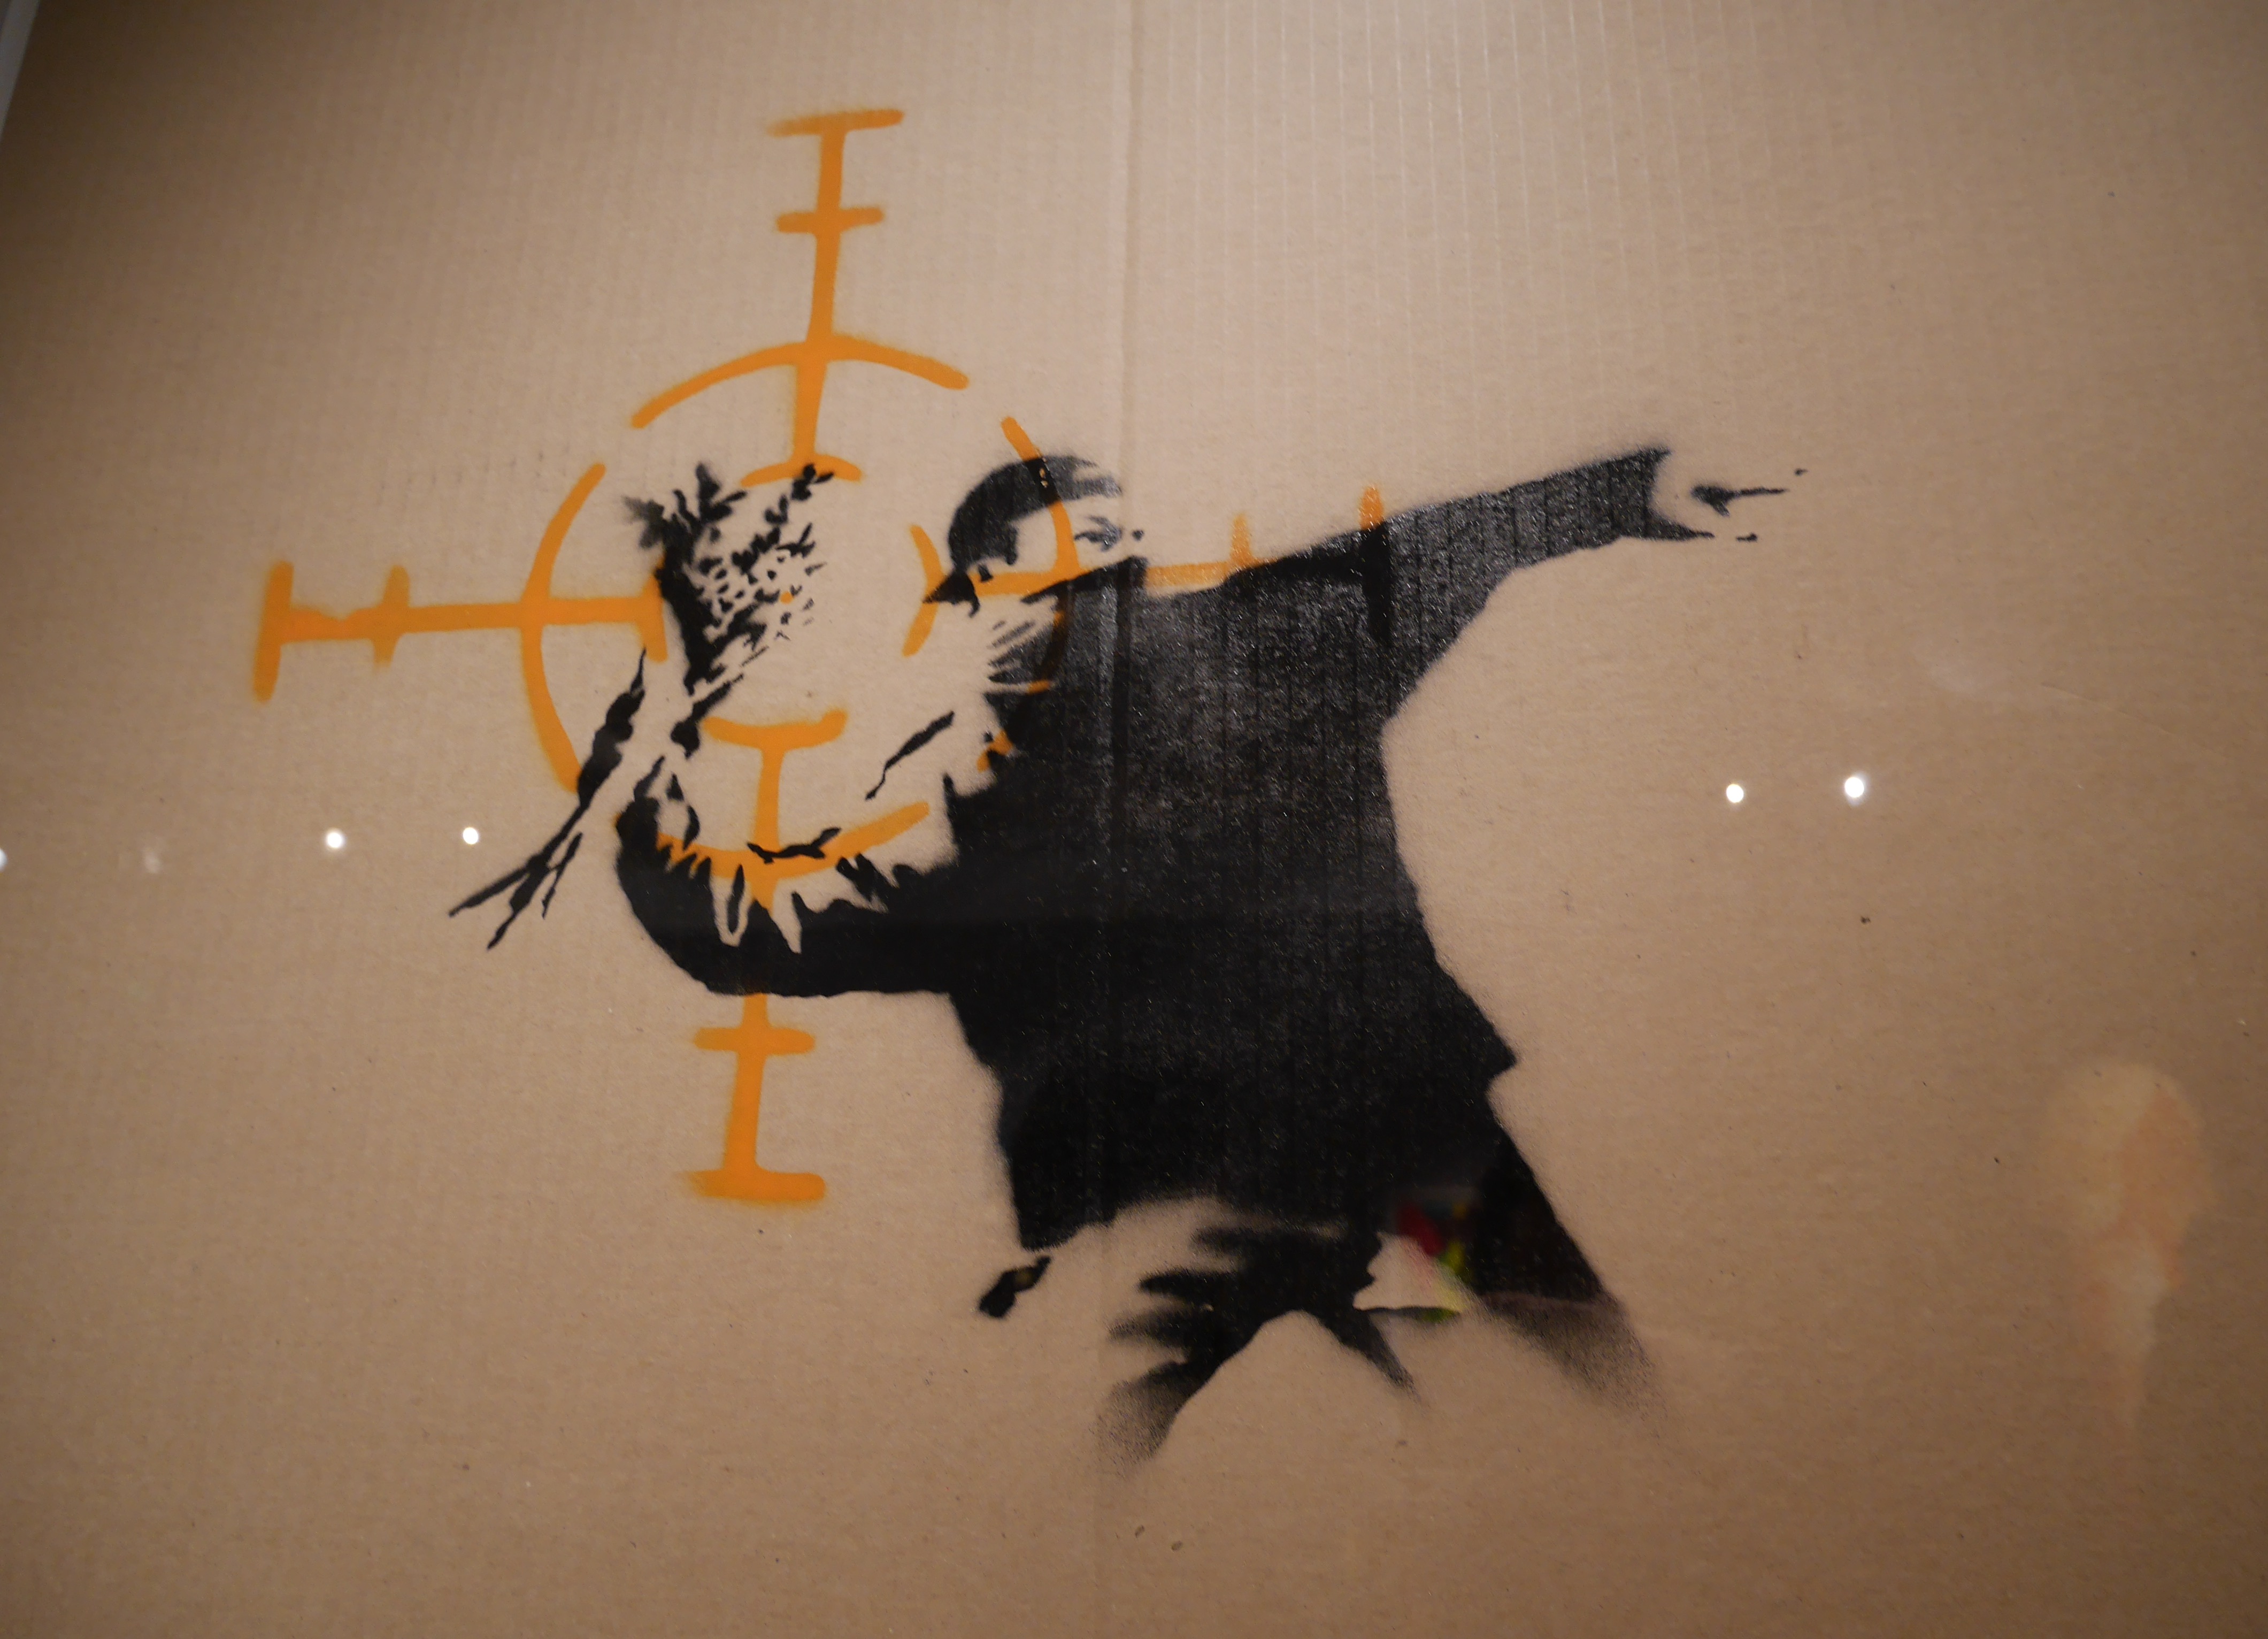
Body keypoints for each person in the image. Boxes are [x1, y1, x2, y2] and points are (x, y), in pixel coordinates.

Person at [489, 443, 1709, 1456]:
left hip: (1232, 1171)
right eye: (1093, 556)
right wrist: (1620, 491)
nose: (1112, 583)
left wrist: (644, 795)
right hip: (1349, 1134)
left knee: (1166, 1453)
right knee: (1578, 1387)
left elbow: (756, 941)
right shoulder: (1220, 663)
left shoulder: (989, 784)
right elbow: (1454, 544)